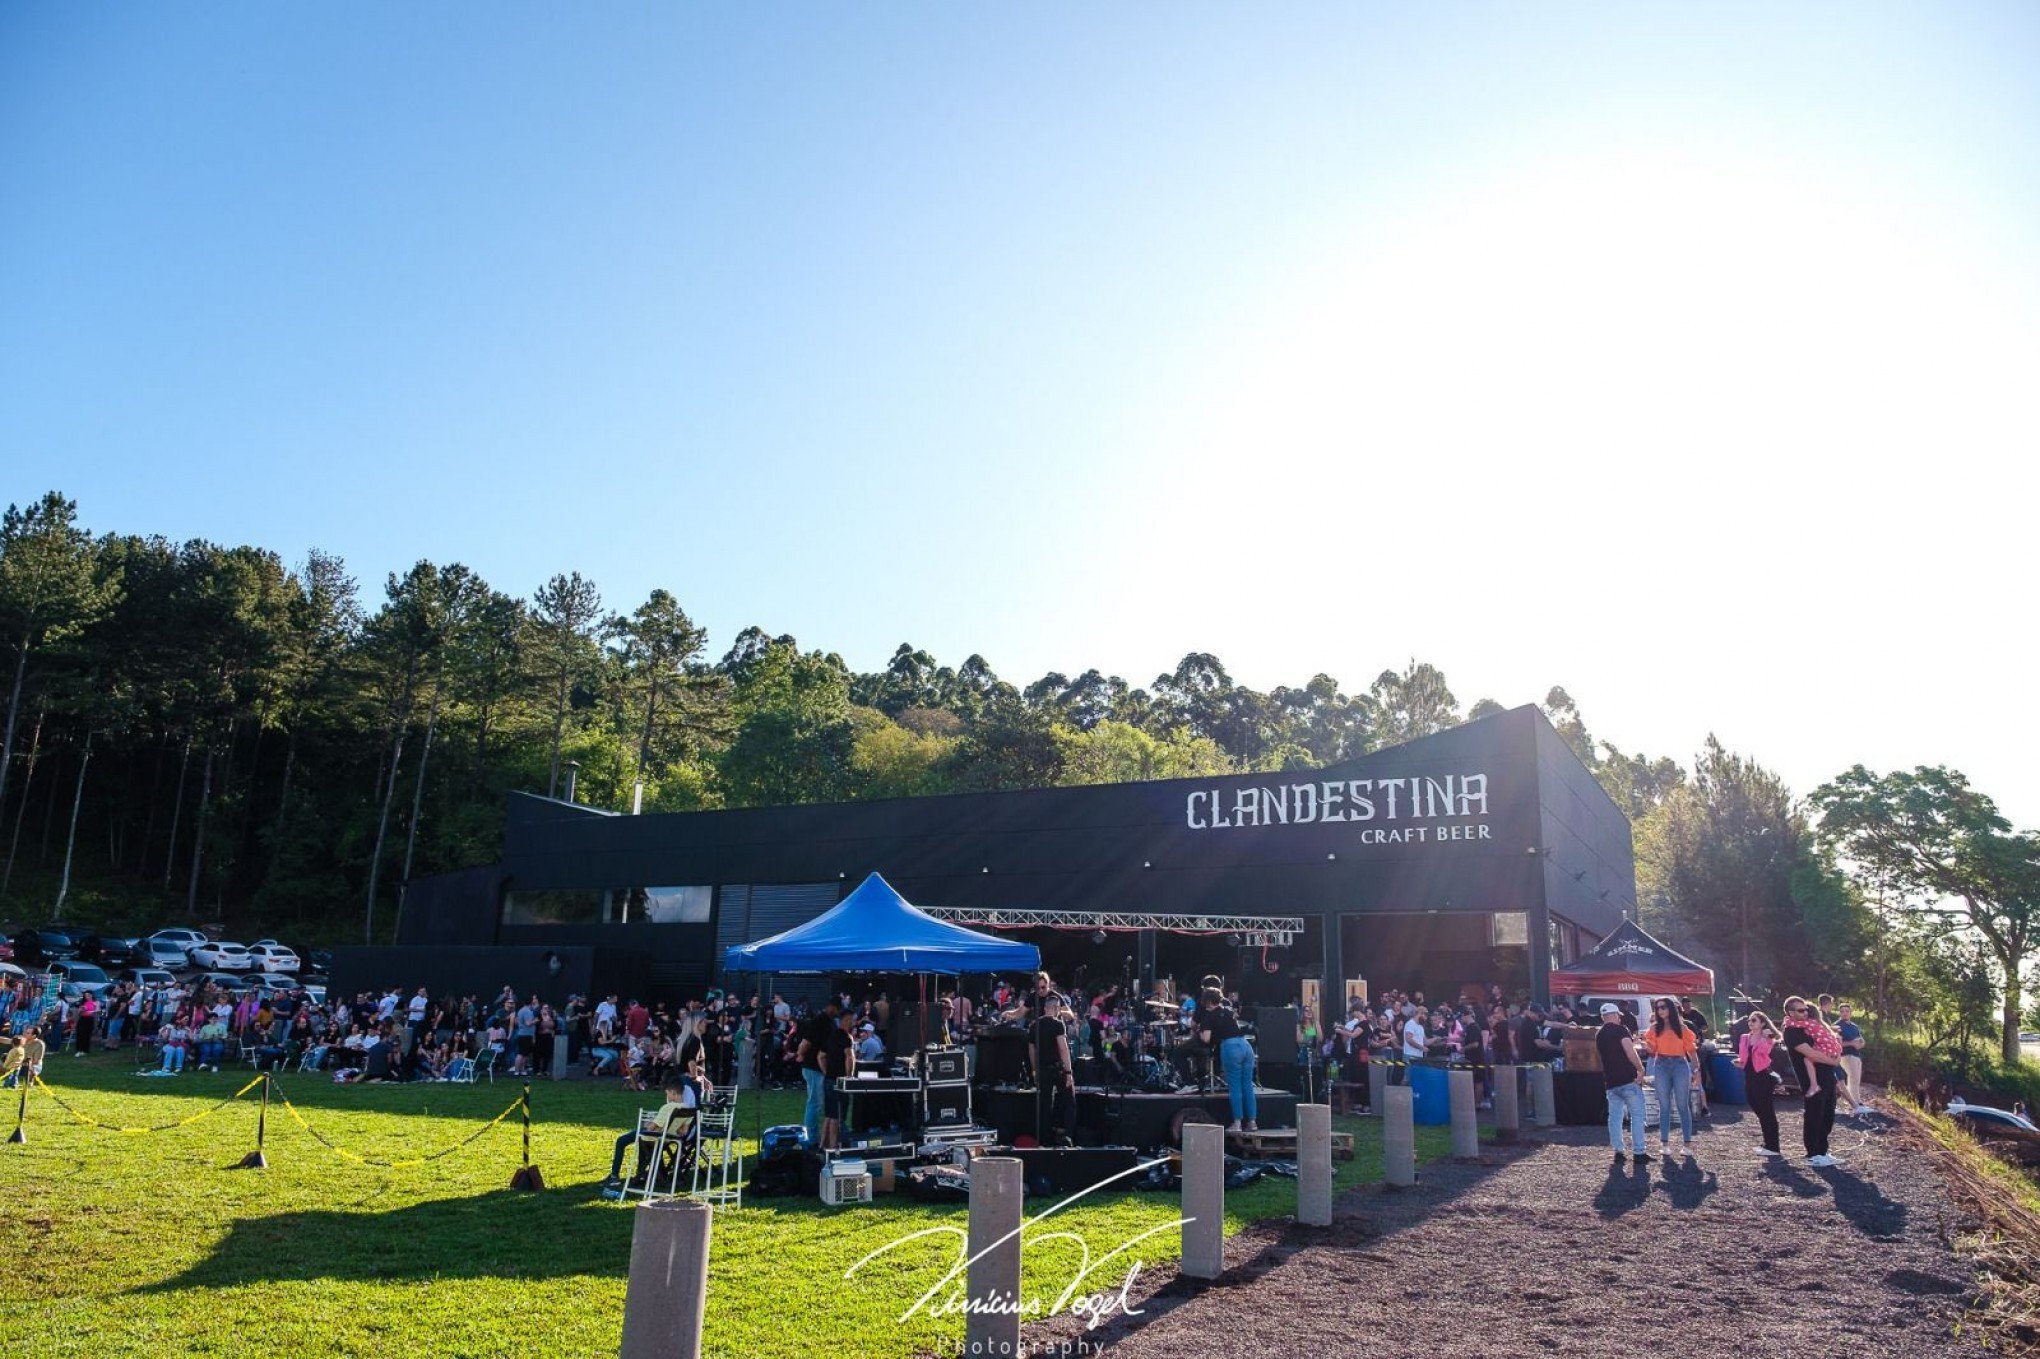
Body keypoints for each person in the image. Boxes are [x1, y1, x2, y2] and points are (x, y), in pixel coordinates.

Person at [602, 1077, 700, 1191]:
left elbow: (652, 1127)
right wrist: (673, 1128)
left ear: (673, 1092)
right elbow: (683, 1132)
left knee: (621, 1140)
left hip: (655, 1137)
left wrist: (648, 1123)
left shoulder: (668, 1107)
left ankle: (614, 1176)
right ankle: (641, 1174)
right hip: (670, 1139)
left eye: (667, 1093)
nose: (667, 1097)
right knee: (643, 1141)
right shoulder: (689, 1109)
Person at [1782, 995, 1846, 1166]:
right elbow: (1811, 1054)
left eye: (1806, 1010)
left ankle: (1822, 1150)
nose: (1805, 1013)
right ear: (1790, 1012)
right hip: (1811, 1080)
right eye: (1801, 1010)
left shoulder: (1809, 1026)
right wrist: (1834, 1061)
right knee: (1814, 1113)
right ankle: (1813, 1153)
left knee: (1828, 1113)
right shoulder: (1791, 1032)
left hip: (1827, 1075)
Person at [1597, 1002, 1651, 1165]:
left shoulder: (1599, 1035)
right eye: (1618, 1016)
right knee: (1637, 1116)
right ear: (1614, 1016)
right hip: (1628, 1079)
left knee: (1614, 1118)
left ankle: (1618, 1151)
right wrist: (1640, 1069)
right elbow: (1630, 1051)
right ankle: (1639, 1152)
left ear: (1603, 1017)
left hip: (1611, 1082)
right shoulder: (1621, 1030)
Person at [1644, 998, 1700, 1154]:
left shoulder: (1682, 1028)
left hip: (1680, 1064)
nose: (1660, 1010)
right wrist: (1644, 1044)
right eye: (1657, 1008)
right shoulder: (1654, 1028)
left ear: (1671, 1009)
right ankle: (1664, 1144)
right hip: (1661, 1063)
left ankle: (1687, 1144)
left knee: (1683, 1105)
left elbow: (1692, 1051)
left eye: (1663, 1007)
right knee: (1664, 1106)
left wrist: (1697, 1071)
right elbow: (1651, 1050)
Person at [1198, 986, 1256, 1134]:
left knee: (1235, 1086)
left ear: (1208, 1002)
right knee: (1248, 1086)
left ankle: (1237, 1123)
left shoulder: (1209, 1016)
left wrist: (1199, 1032)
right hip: (1245, 1046)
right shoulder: (1228, 1011)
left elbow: (1206, 1039)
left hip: (1231, 1047)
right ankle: (1252, 1122)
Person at [1735, 1009, 1784, 1157]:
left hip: (1762, 1074)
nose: (1750, 1023)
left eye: (1754, 1020)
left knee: (1766, 1110)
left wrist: (1764, 1037)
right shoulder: (1744, 1037)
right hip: (1749, 1074)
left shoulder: (1768, 1038)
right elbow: (1743, 1055)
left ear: (1762, 1023)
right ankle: (1768, 1143)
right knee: (1755, 1105)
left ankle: (1773, 1146)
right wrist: (1739, 1062)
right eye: (1749, 1020)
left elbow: (1764, 1052)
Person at [1034, 993, 1079, 1144]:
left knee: (1044, 1105)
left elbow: (1031, 1050)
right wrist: (1069, 1072)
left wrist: (1035, 1070)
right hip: (1058, 1069)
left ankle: (1044, 1141)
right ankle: (1068, 1136)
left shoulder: (1035, 1025)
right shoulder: (1058, 1024)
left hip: (1042, 1069)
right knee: (1069, 1101)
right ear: (1056, 1008)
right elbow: (1063, 1049)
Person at [797, 998, 840, 1145]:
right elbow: (806, 1042)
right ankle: (811, 1137)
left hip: (815, 1066)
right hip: (814, 1067)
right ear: (832, 1007)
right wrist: (800, 1054)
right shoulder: (820, 1021)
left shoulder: (827, 1021)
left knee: (817, 1102)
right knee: (814, 1102)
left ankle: (818, 1136)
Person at [820, 1006, 858, 1150]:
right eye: (852, 1020)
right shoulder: (846, 1038)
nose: (853, 1023)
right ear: (846, 1020)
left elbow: (820, 1056)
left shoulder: (830, 1035)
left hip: (828, 1079)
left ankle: (822, 1145)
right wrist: (850, 1076)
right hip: (840, 1082)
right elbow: (850, 1057)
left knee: (829, 1115)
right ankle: (833, 1147)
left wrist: (826, 1072)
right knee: (837, 1117)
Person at [1836, 1002, 1866, 1117]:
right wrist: (1851, 1043)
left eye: (1847, 1011)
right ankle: (1855, 1104)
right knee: (1853, 1078)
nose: (1844, 1013)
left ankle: (1856, 1102)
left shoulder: (1854, 1026)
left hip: (1856, 1055)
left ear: (1851, 1013)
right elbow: (1837, 1043)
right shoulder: (1837, 1026)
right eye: (1842, 1011)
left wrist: (1861, 1043)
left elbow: (1860, 1040)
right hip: (1845, 1055)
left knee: (1856, 1079)